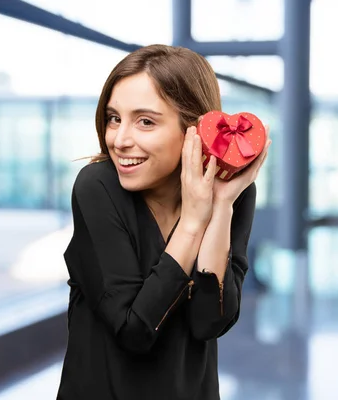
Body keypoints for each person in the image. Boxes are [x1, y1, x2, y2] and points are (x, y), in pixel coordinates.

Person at [57, 45, 271, 399]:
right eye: (114, 118)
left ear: (195, 128)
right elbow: (134, 331)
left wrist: (219, 208)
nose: (120, 140)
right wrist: (192, 223)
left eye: (145, 121)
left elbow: (210, 322)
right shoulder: (97, 187)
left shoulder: (234, 193)